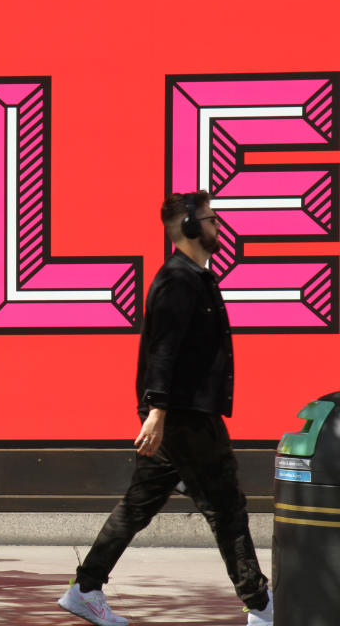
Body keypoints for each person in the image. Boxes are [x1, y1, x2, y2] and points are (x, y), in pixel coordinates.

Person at [57, 191, 273, 626]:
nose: (218, 226)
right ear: (192, 227)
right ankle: (262, 607)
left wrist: (157, 411)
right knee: (226, 506)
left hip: (180, 414)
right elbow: (163, 349)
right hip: (184, 415)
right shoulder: (180, 280)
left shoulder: (194, 277)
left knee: (139, 505)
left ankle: (85, 588)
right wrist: (157, 410)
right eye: (212, 219)